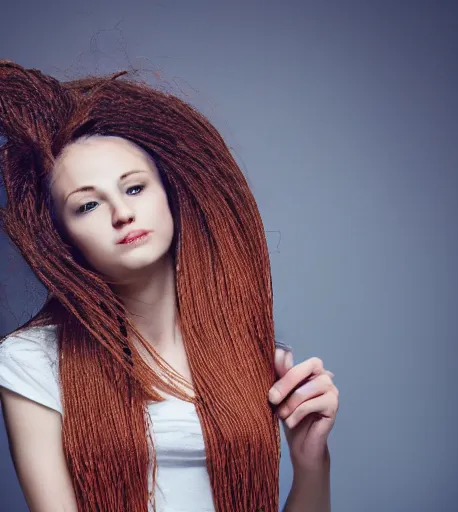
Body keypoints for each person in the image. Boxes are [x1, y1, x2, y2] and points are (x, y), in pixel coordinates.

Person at [0, 61, 339, 511]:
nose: (122, 213)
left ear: (169, 196)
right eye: (87, 206)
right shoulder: (30, 360)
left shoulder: (249, 354)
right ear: (59, 236)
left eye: (135, 189)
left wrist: (312, 460)